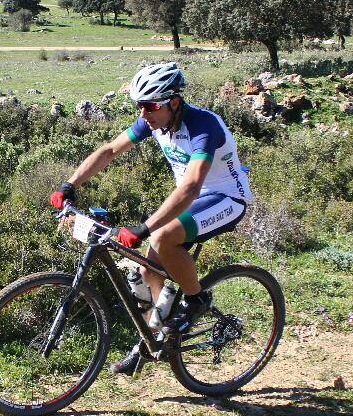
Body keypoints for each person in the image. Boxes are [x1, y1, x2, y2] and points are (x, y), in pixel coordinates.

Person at [49, 62, 252, 375]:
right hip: (192, 200)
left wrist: (143, 228)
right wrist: (70, 184)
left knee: (160, 237)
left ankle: (196, 300)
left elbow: (191, 185)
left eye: (149, 106)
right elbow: (109, 151)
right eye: (138, 106)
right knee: (148, 272)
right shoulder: (155, 121)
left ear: (173, 101)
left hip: (226, 198)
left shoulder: (203, 125)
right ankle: (151, 341)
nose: (143, 114)